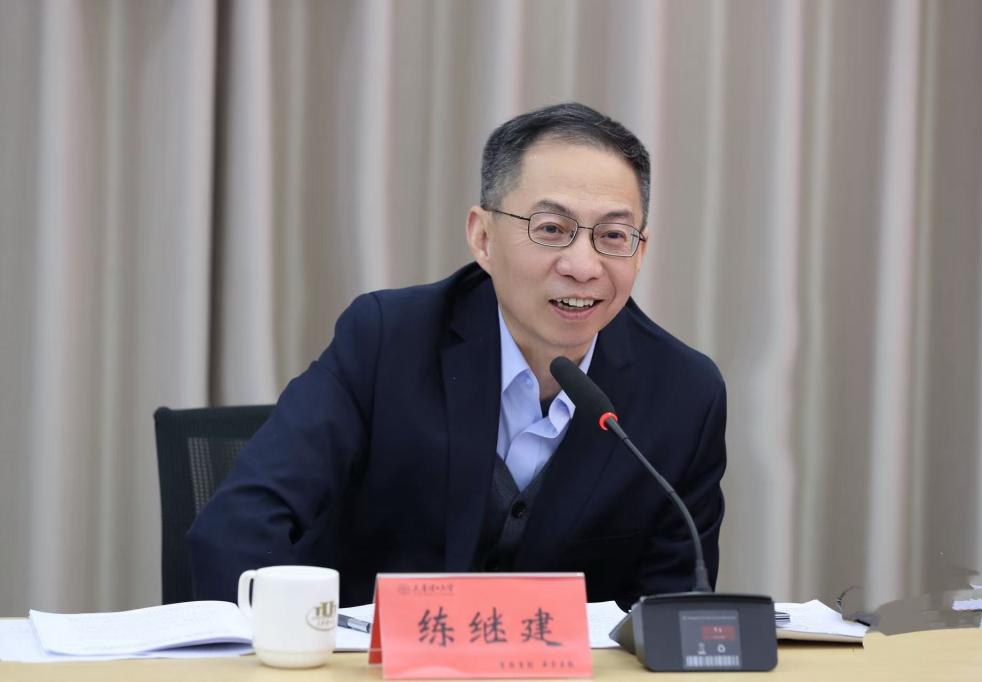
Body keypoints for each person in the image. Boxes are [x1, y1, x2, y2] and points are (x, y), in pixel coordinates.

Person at [187, 102, 727, 610]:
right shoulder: (388, 340)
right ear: (483, 238)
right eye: (551, 229)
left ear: (640, 250)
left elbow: (673, 610)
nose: (583, 266)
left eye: (612, 235)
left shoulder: (683, 396)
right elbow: (240, 525)